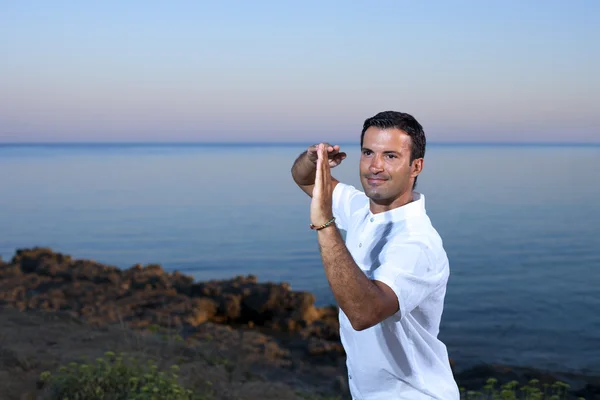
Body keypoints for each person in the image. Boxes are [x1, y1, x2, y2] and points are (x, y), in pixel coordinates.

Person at [290, 111, 459, 399]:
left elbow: (364, 313)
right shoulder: (360, 207)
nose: (375, 166)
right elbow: (305, 179)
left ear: (415, 166)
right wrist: (313, 160)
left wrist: (325, 224)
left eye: (390, 156)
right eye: (368, 152)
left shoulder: (418, 244)